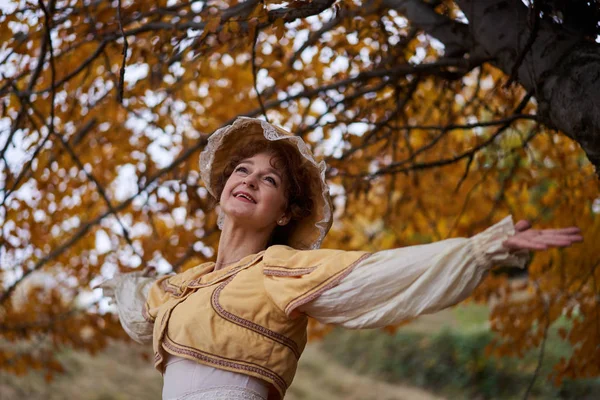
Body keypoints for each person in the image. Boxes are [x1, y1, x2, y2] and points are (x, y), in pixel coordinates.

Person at [99, 117, 583, 400]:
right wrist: (110, 281)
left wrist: (481, 249)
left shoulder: (280, 270)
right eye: (242, 170)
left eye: (269, 179)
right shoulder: (184, 285)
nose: (248, 179)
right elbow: (136, 299)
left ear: (286, 211)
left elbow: (379, 275)